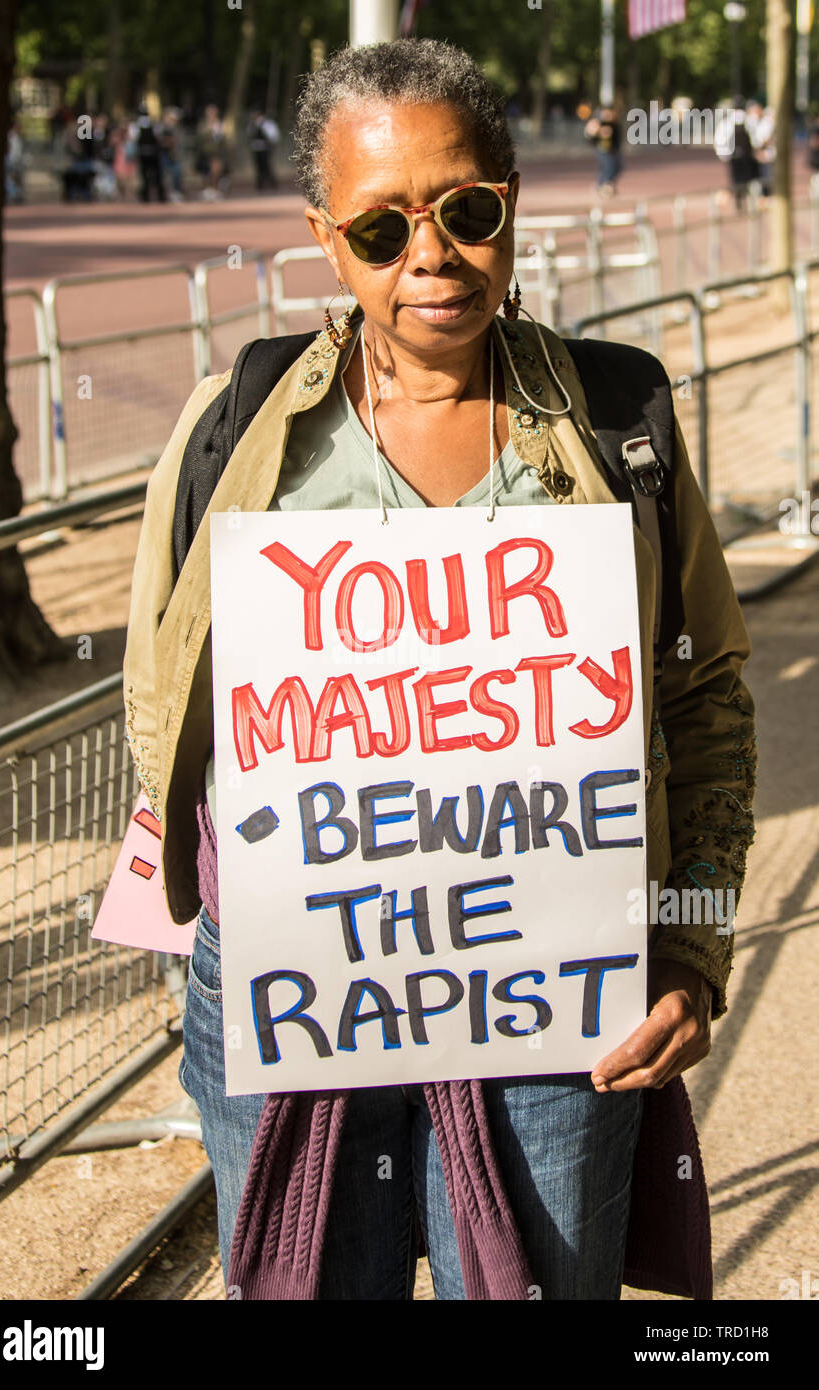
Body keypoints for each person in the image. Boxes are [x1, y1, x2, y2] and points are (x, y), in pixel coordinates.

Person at [123, 37, 756, 1301]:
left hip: (556, 1008)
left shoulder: (615, 421)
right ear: (321, 234)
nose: (431, 257)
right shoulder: (234, 432)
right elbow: (165, 709)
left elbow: (704, 694)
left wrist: (688, 947)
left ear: (511, 200)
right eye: (379, 228)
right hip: (299, 1004)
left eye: (468, 211)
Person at [714, 100, 757, 211]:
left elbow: (720, 140)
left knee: (735, 180)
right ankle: (746, 201)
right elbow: (755, 139)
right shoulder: (749, 120)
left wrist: (723, 155)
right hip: (747, 156)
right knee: (747, 179)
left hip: (733, 157)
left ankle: (738, 202)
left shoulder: (727, 122)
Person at [584, 105, 622, 197]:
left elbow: (618, 137)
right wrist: (598, 132)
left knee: (618, 166)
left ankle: (607, 184)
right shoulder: (598, 122)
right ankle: (602, 186)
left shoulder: (614, 123)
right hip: (602, 149)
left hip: (612, 149)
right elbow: (589, 136)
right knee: (608, 166)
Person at [135, 104, 166, 203]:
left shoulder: (136, 125)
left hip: (143, 153)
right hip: (153, 152)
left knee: (144, 176)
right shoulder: (153, 123)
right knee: (157, 175)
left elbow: (134, 138)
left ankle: (146, 197)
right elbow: (159, 137)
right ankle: (160, 196)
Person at [247, 110, 279, 190]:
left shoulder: (268, 124)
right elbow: (250, 135)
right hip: (256, 148)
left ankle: (271, 182)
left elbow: (273, 136)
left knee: (266, 166)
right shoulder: (252, 124)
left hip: (265, 148)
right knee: (258, 167)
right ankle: (260, 183)